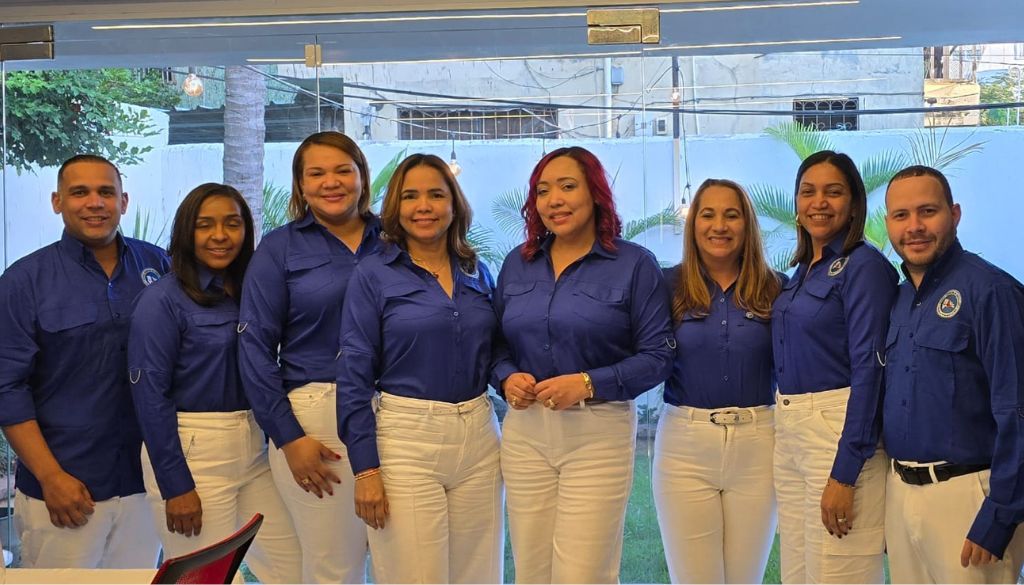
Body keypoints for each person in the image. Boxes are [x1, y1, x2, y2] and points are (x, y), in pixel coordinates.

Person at [493, 146, 674, 584]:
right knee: (532, 571)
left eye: (567, 187)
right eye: (542, 191)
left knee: (584, 573)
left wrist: (589, 383)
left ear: (595, 193)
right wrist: (505, 377)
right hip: (525, 433)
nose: (554, 200)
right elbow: (495, 344)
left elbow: (659, 356)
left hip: (597, 434)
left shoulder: (634, 264)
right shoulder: (518, 264)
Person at [337, 153, 503, 583]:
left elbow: (494, 352)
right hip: (406, 440)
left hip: (480, 435)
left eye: (436, 195)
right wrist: (366, 469)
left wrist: (511, 378)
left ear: (454, 204)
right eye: (410, 196)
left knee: (479, 575)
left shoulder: (477, 271)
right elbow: (353, 375)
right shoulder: (373, 275)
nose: (424, 206)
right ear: (396, 208)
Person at [128, 183, 301, 582]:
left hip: (254, 447)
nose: (220, 235)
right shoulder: (162, 300)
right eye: (205, 225)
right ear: (186, 231)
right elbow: (150, 397)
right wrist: (176, 486)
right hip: (194, 451)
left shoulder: (251, 292)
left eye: (232, 224)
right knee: (204, 578)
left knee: (295, 567)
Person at [0, 154, 166, 568]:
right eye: (80, 192)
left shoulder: (160, 266)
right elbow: (7, 388)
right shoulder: (24, 281)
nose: (95, 202)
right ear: (57, 202)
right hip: (65, 489)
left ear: (123, 201)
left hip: (146, 483)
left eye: (106, 192)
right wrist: (50, 477)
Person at [239, 131, 378, 583]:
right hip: (319, 421)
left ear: (362, 176)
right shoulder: (279, 248)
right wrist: (289, 437)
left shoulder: (395, 239)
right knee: (333, 566)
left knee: (402, 559)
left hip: (401, 413)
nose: (330, 182)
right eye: (316, 173)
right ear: (300, 185)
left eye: (343, 170)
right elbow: (255, 349)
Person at [882, 165, 1024, 583]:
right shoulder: (899, 299)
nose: (914, 226)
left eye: (928, 211)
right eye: (901, 215)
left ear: (954, 214)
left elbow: (1017, 409)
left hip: (969, 498)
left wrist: (999, 516)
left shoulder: (992, 291)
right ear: (889, 223)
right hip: (901, 494)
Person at [771, 150, 898, 583]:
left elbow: (871, 372)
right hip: (790, 432)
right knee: (798, 574)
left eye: (833, 192)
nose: (819, 202)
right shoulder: (803, 271)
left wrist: (845, 475)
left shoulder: (864, 267)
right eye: (808, 192)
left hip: (837, 432)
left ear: (855, 203)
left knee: (838, 571)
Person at [654, 179, 785, 584]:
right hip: (685, 446)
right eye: (707, 215)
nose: (719, 226)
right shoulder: (667, 286)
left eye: (732, 215)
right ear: (693, 224)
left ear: (748, 225)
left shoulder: (777, 288)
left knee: (746, 578)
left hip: (759, 445)